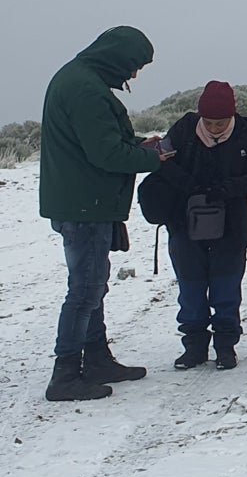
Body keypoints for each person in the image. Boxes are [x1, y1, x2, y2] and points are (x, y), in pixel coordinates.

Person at [40, 26, 166, 401]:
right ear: (117, 57)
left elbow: (99, 141)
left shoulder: (79, 78)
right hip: (85, 205)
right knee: (85, 289)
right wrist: (154, 157)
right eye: (133, 65)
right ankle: (65, 373)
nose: (133, 74)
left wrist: (137, 143)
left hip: (81, 200)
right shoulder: (85, 89)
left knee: (93, 283)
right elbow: (106, 155)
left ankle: (96, 357)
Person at [157, 81, 247, 371]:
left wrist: (226, 189)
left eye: (221, 123)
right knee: (190, 289)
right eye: (209, 123)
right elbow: (162, 162)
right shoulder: (183, 130)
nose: (215, 128)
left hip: (231, 227)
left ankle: (226, 345)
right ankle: (194, 346)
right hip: (184, 225)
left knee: (226, 288)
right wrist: (190, 186)